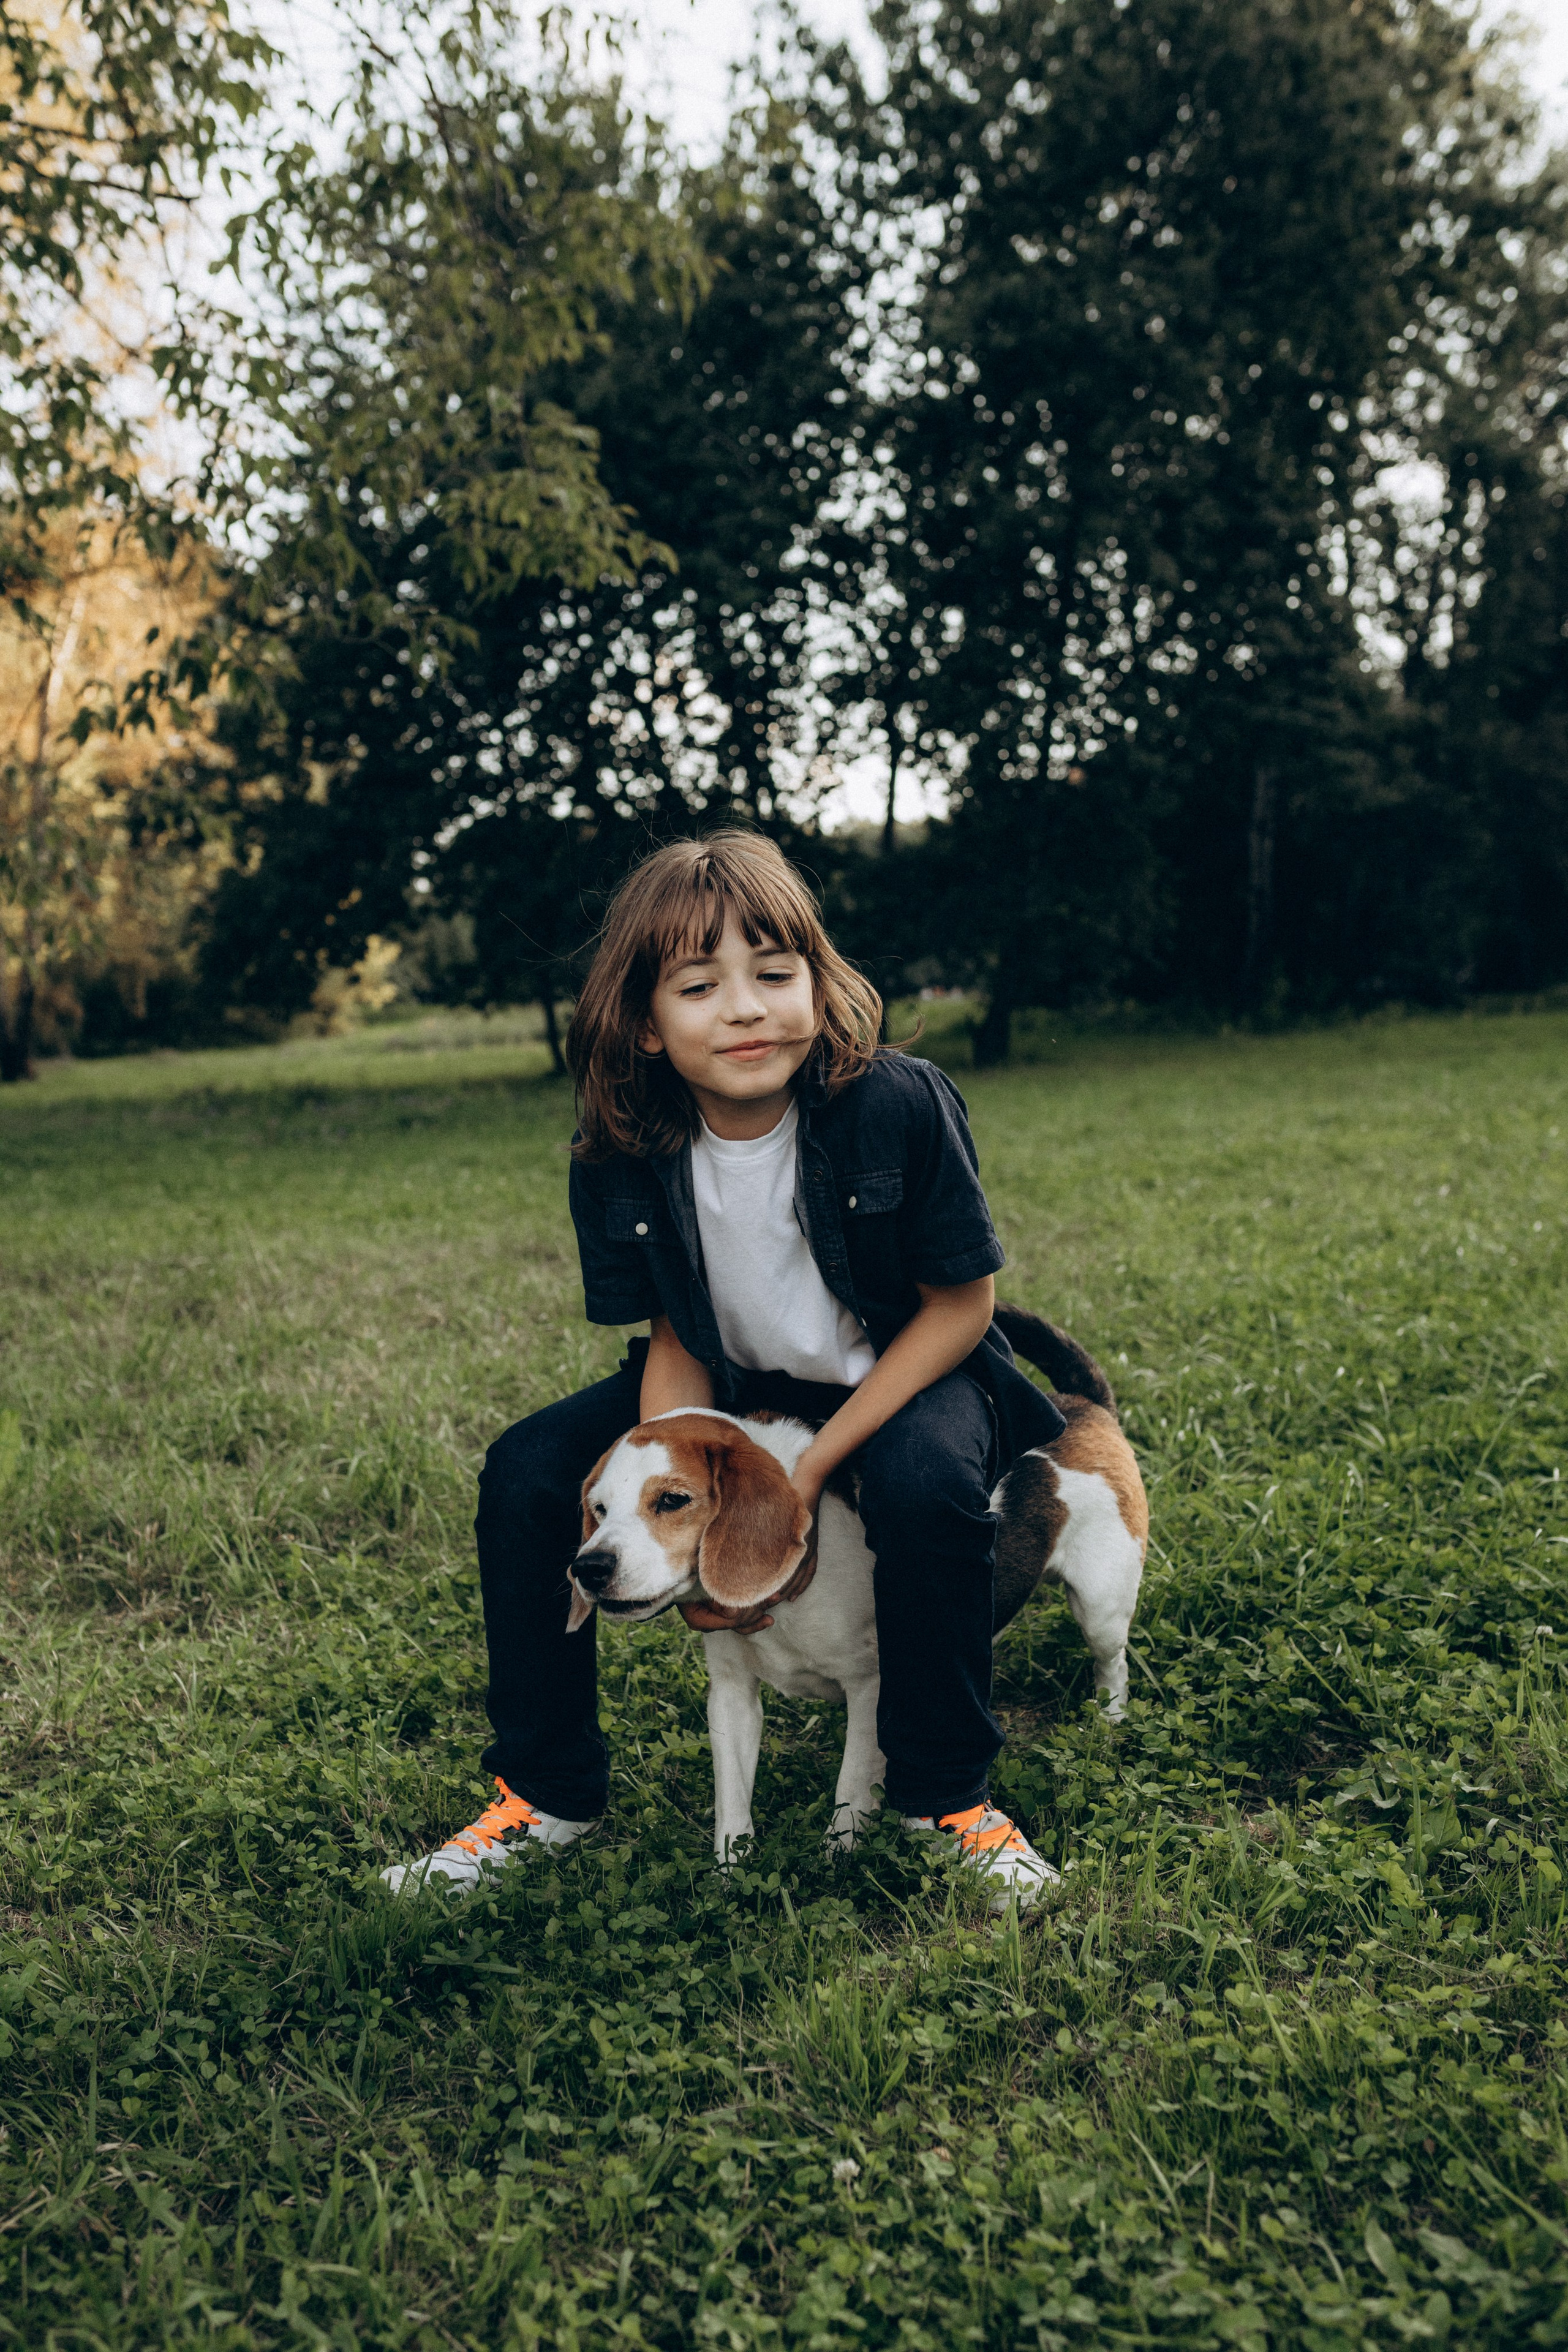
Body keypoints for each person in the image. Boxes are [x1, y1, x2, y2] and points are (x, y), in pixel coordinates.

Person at [381, 832, 1066, 1903]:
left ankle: (947, 1800)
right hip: (732, 1382)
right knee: (525, 1471)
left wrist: (805, 1473)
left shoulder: (898, 1103)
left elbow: (960, 1308)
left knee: (922, 1485)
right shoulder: (617, 1153)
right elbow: (676, 1335)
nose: (746, 1009)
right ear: (647, 1026)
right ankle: (545, 1794)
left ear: (819, 984)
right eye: (700, 986)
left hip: (907, 1367)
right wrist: (675, 1499)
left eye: (775, 975)